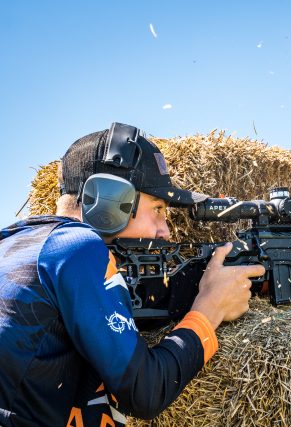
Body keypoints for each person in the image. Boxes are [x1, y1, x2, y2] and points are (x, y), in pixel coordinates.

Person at [0, 122, 265, 426]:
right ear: (108, 202)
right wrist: (210, 308)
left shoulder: (17, 245)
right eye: (158, 210)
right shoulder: (78, 247)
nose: (165, 231)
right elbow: (144, 391)